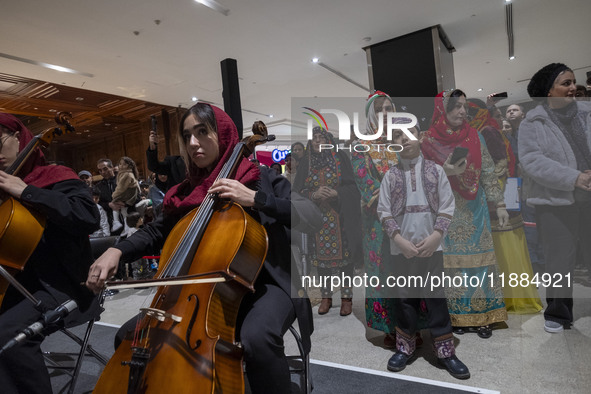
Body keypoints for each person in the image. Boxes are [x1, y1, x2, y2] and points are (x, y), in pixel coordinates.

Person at [86, 103, 313, 393]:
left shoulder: (261, 177)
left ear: (223, 134)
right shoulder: (187, 192)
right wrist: (117, 250)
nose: (193, 143)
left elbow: (312, 216)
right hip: (200, 293)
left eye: (202, 132)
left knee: (257, 338)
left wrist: (256, 199)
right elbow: (157, 230)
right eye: (187, 135)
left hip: (265, 285)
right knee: (129, 337)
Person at [0, 113, 100, 393]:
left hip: (64, 286)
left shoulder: (55, 177)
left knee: (7, 335)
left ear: (18, 138)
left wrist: (27, 191)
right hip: (17, 287)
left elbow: (88, 216)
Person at [377, 120, 470, 379]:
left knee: (436, 297)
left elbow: (447, 205)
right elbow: (384, 212)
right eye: (398, 135)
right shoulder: (390, 175)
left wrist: (435, 237)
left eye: (409, 134)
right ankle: (405, 348)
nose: (404, 139)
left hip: (432, 247)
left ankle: (446, 351)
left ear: (420, 137)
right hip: (402, 250)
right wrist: (400, 241)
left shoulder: (436, 171)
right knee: (405, 298)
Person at [421, 89, 508, 338]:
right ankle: (455, 315)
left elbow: (488, 170)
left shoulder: (475, 136)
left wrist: (499, 204)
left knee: (480, 260)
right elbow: (421, 177)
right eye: (455, 107)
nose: (461, 111)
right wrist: (444, 172)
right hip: (444, 210)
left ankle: (483, 315)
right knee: (450, 266)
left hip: (474, 207)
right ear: (442, 109)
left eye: (463, 107)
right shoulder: (427, 140)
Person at [519, 63, 591, 333]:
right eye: (565, 83)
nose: (573, 88)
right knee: (559, 260)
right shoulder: (533, 122)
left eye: (573, 82)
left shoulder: (587, 113)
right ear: (549, 91)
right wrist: (574, 177)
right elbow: (532, 161)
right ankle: (559, 313)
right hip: (555, 203)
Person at [467, 100, 542, 314]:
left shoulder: (487, 130)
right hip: (506, 189)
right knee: (506, 241)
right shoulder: (488, 129)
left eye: (470, 113)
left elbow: (500, 165)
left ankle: (512, 298)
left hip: (500, 191)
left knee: (505, 241)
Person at [293, 126, 361, 316]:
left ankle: (347, 298)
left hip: (341, 218)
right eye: (314, 138)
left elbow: (353, 188)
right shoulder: (306, 163)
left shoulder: (340, 159)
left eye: (321, 137)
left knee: (345, 261)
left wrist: (337, 193)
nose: (317, 141)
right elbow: (297, 192)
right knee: (321, 263)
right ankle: (326, 298)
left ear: (328, 140)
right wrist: (312, 194)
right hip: (317, 221)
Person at [109, 156, 140, 237]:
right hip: (129, 194)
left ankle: (116, 222)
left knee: (115, 202)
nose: (121, 166)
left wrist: (114, 195)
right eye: (120, 164)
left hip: (127, 195)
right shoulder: (125, 173)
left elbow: (121, 188)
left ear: (129, 165)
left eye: (124, 164)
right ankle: (126, 226)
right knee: (124, 211)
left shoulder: (126, 174)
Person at [95, 158, 119, 233]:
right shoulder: (98, 186)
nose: (103, 172)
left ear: (111, 167)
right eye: (100, 170)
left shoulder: (121, 180)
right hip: (110, 221)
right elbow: (98, 203)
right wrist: (109, 205)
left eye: (105, 169)